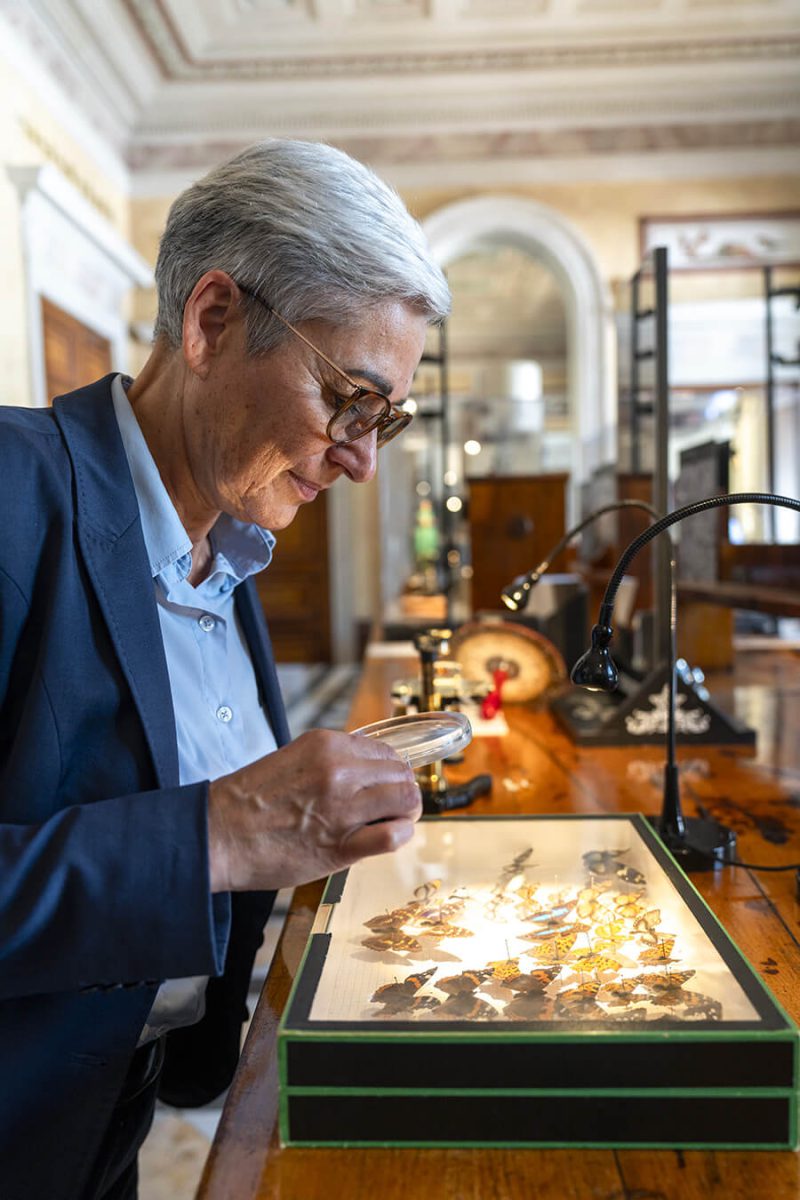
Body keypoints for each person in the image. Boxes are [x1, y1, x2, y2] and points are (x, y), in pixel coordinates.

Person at [0, 138, 451, 1200]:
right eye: (349, 398)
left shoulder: (228, 551)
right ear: (211, 322)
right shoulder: (13, 491)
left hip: (102, 1122)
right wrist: (217, 834)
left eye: (384, 420)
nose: (361, 459)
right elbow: (211, 832)